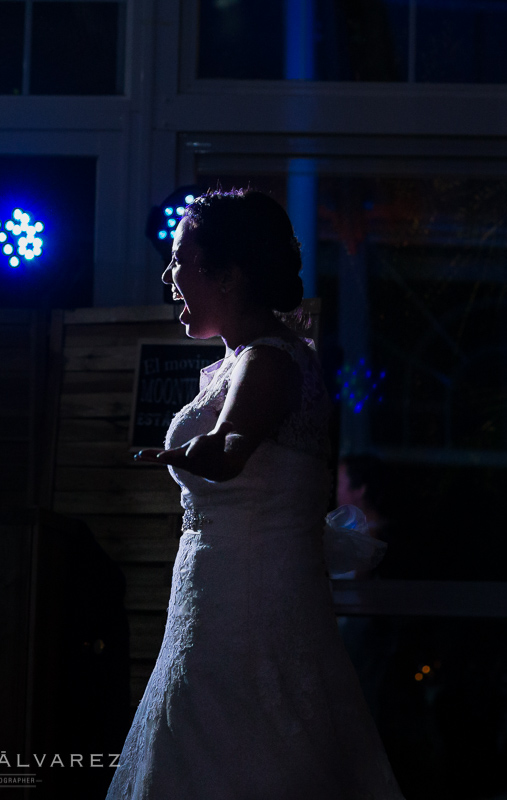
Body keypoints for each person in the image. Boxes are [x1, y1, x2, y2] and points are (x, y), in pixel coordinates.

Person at [109, 189, 403, 799]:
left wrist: (171, 455)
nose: (169, 277)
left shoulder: (267, 360)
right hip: (218, 591)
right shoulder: (241, 360)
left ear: (228, 274)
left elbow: (227, 452)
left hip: (248, 601)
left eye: (180, 262)